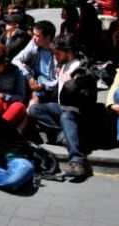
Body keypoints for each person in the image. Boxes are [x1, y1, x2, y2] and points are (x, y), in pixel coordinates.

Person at [27, 34, 97, 178]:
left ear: (68, 51)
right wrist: (43, 88)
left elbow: (87, 98)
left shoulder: (82, 70)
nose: (55, 57)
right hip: (61, 106)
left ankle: (77, 162)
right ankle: (63, 136)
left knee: (66, 115)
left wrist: (70, 83)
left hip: (77, 112)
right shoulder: (65, 65)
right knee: (34, 110)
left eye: (57, 54)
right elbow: (59, 92)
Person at [12, 20, 57, 107]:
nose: (33, 38)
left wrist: (43, 86)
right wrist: (29, 77)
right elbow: (16, 60)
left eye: (37, 35)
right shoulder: (34, 43)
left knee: (35, 96)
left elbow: (57, 80)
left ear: (47, 38)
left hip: (49, 86)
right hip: (35, 79)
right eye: (33, 34)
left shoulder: (57, 52)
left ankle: (27, 113)